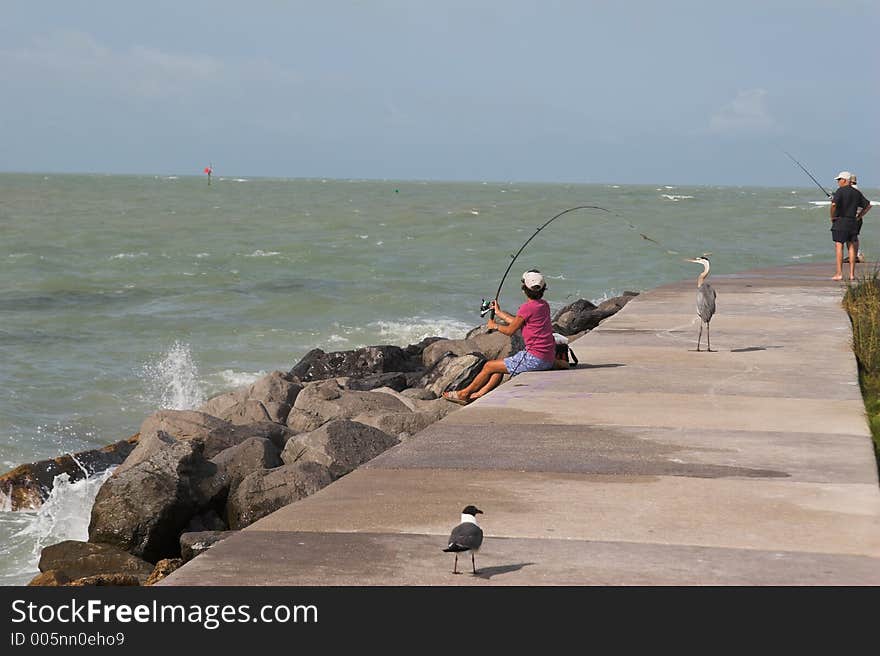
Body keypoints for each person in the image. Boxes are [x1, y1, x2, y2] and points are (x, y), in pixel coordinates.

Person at [443, 270, 557, 405]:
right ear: (543, 289)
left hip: (535, 359)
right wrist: (498, 312)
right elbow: (517, 321)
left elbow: (510, 330)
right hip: (547, 357)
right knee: (499, 365)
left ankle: (464, 394)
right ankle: (479, 395)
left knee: (488, 366)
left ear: (524, 289)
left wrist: (494, 326)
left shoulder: (526, 308)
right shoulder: (544, 305)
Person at [830, 171, 871, 281]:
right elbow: (868, 205)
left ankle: (839, 273)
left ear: (844, 180)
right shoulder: (856, 192)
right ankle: (852, 274)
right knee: (852, 248)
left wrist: (832, 216)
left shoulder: (840, 191)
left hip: (840, 221)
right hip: (852, 222)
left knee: (839, 246)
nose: (838, 182)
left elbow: (834, 205)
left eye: (839, 180)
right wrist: (859, 216)